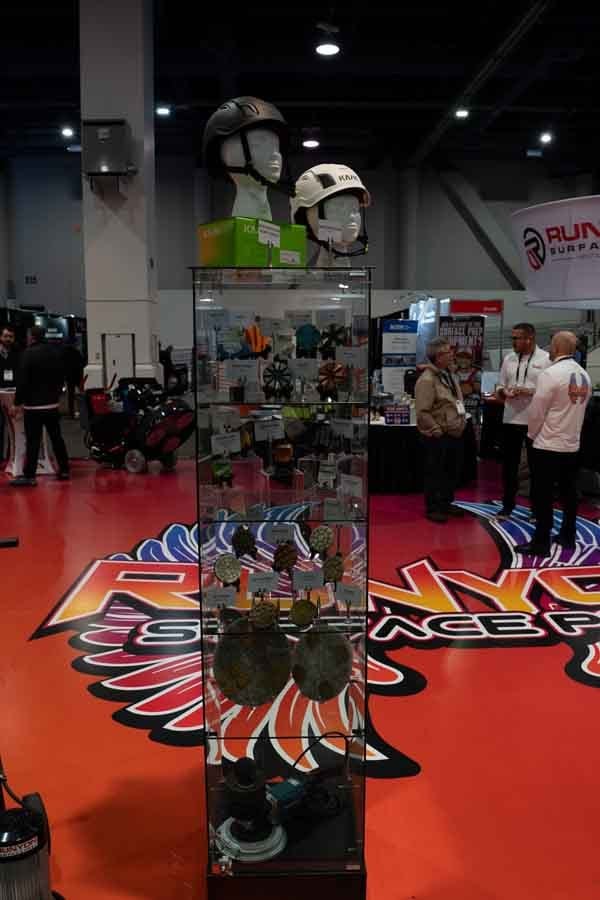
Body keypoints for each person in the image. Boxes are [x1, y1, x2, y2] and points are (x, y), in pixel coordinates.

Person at [515, 331, 591, 557]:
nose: (548, 348)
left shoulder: (550, 374)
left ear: (557, 347)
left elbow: (537, 412)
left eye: (551, 344)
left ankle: (541, 543)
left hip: (547, 444)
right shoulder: (583, 374)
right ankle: (568, 535)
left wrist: (531, 435)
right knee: (569, 492)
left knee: (542, 495)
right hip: (572, 443)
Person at [494, 323, 550, 521]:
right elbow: (499, 385)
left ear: (529, 339)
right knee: (509, 466)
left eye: (517, 338)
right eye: (513, 338)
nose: (513, 342)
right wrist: (504, 391)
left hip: (534, 420)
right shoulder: (509, 358)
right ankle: (507, 506)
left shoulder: (546, 359)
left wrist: (530, 391)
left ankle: (536, 508)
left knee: (537, 466)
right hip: (510, 418)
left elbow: (550, 391)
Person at [10, 325, 70, 487]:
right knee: (56, 438)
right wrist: (56, 395)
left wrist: (17, 403)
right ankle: (64, 469)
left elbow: (23, 381)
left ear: (31, 337)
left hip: (33, 407)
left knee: (33, 441)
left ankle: (29, 476)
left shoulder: (27, 354)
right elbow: (61, 377)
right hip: (52, 405)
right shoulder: (55, 352)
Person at [415, 337, 467, 523]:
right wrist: (435, 429)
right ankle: (433, 507)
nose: (452, 354)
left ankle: (446, 502)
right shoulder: (427, 380)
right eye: (447, 352)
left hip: (454, 431)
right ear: (438, 357)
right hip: (439, 434)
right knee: (435, 472)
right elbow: (422, 411)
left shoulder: (448, 374)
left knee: (450, 471)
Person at [0, 325, 21, 460]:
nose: (8, 339)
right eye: (5, 336)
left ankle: (11, 456)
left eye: (11, 337)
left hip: (12, 394)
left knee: (13, 428)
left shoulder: (17, 352)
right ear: (0, 337)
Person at [62, 338, 85, 418]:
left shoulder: (64, 353)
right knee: (82, 394)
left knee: (70, 396)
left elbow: (62, 365)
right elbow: (81, 364)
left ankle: (71, 413)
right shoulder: (77, 352)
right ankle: (83, 411)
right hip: (78, 376)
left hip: (69, 377)